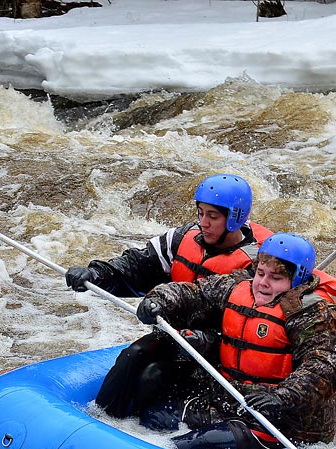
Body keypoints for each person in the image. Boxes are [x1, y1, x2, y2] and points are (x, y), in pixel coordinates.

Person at [65, 174, 271, 418]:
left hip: (220, 351)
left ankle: (143, 430)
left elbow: (254, 325)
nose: (203, 222)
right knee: (133, 356)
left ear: (234, 219)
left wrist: (205, 339)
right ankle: (100, 420)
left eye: (212, 216)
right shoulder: (182, 238)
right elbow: (138, 264)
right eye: (200, 212)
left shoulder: (256, 267)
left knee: (154, 377)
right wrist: (97, 274)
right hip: (176, 336)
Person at [131, 233, 336, 449]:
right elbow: (193, 293)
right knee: (153, 418)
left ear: (296, 281)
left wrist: (283, 397)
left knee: (189, 445)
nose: (263, 283)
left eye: (275, 278)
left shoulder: (316, 316)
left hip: (284, 423)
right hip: (233, 401)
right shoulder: (238, 287)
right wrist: (159, 301)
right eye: (261, 273)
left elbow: (325, 366)